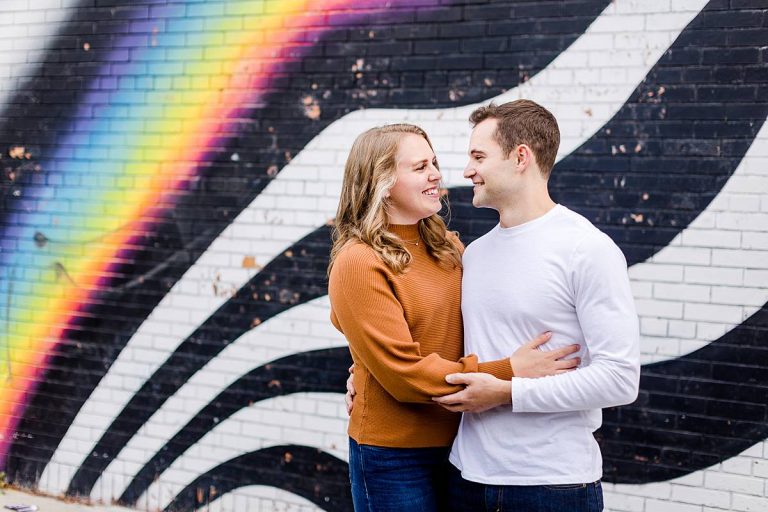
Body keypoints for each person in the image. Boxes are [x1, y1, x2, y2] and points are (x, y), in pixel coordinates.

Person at [327, 123, 580, 512]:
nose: (436, 175)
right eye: (419, 167)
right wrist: (510, 370)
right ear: (382, 180)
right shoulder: (359, 261)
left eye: (434, 163)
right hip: (395, 455)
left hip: (463, 446)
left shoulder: (448, 247)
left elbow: (458, 330)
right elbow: (405, 375)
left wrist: (366, 365)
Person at [431, 100, 641, 512]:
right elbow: (444, 341)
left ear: (520, 157)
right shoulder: (474, 253)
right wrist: (364, 377)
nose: (467, 171)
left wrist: (507, 392)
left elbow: (620, 379)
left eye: (479, 157)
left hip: (551, 488)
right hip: (465, 477)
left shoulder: (587, 249)